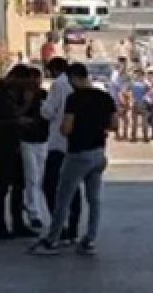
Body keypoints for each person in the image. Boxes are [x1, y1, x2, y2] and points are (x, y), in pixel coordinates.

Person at [31, 63, 116, 256]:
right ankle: (89, 240)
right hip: (98, 153)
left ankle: (52, 240)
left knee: (63, 197)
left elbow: (66, 128)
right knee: (94, 199)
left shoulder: (74, 99)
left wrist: (71, 127)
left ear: (74, 78)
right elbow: (114, 125)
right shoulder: (105, 97)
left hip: (78, 153)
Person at [0, 65, 37, 240]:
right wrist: (16, 122)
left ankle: (18, 223)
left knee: (19, 184)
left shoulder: (13, 93)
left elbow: (16, 114)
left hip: (14, 144)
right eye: (22, 83)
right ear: (14, 77)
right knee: (2, 185)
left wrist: (27, 104)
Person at [41, 57, 83, 242]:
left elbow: (47, 112)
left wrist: (41, 105)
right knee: (73, 186)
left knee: (50, 185)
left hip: (58, 144)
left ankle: (59, 226)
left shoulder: (58, 85)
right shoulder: (81, 86)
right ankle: (73, 228)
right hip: (76, 144)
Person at [19, 66, 49, 230]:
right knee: (31, 176)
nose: (36, 84)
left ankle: (34, 206)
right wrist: (28, 102)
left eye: (38, 80)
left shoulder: (45, 95)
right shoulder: (21, 96)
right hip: (27, 140)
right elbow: (17, 114)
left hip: (42, 140)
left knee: (39, 178)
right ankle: (34, 213)